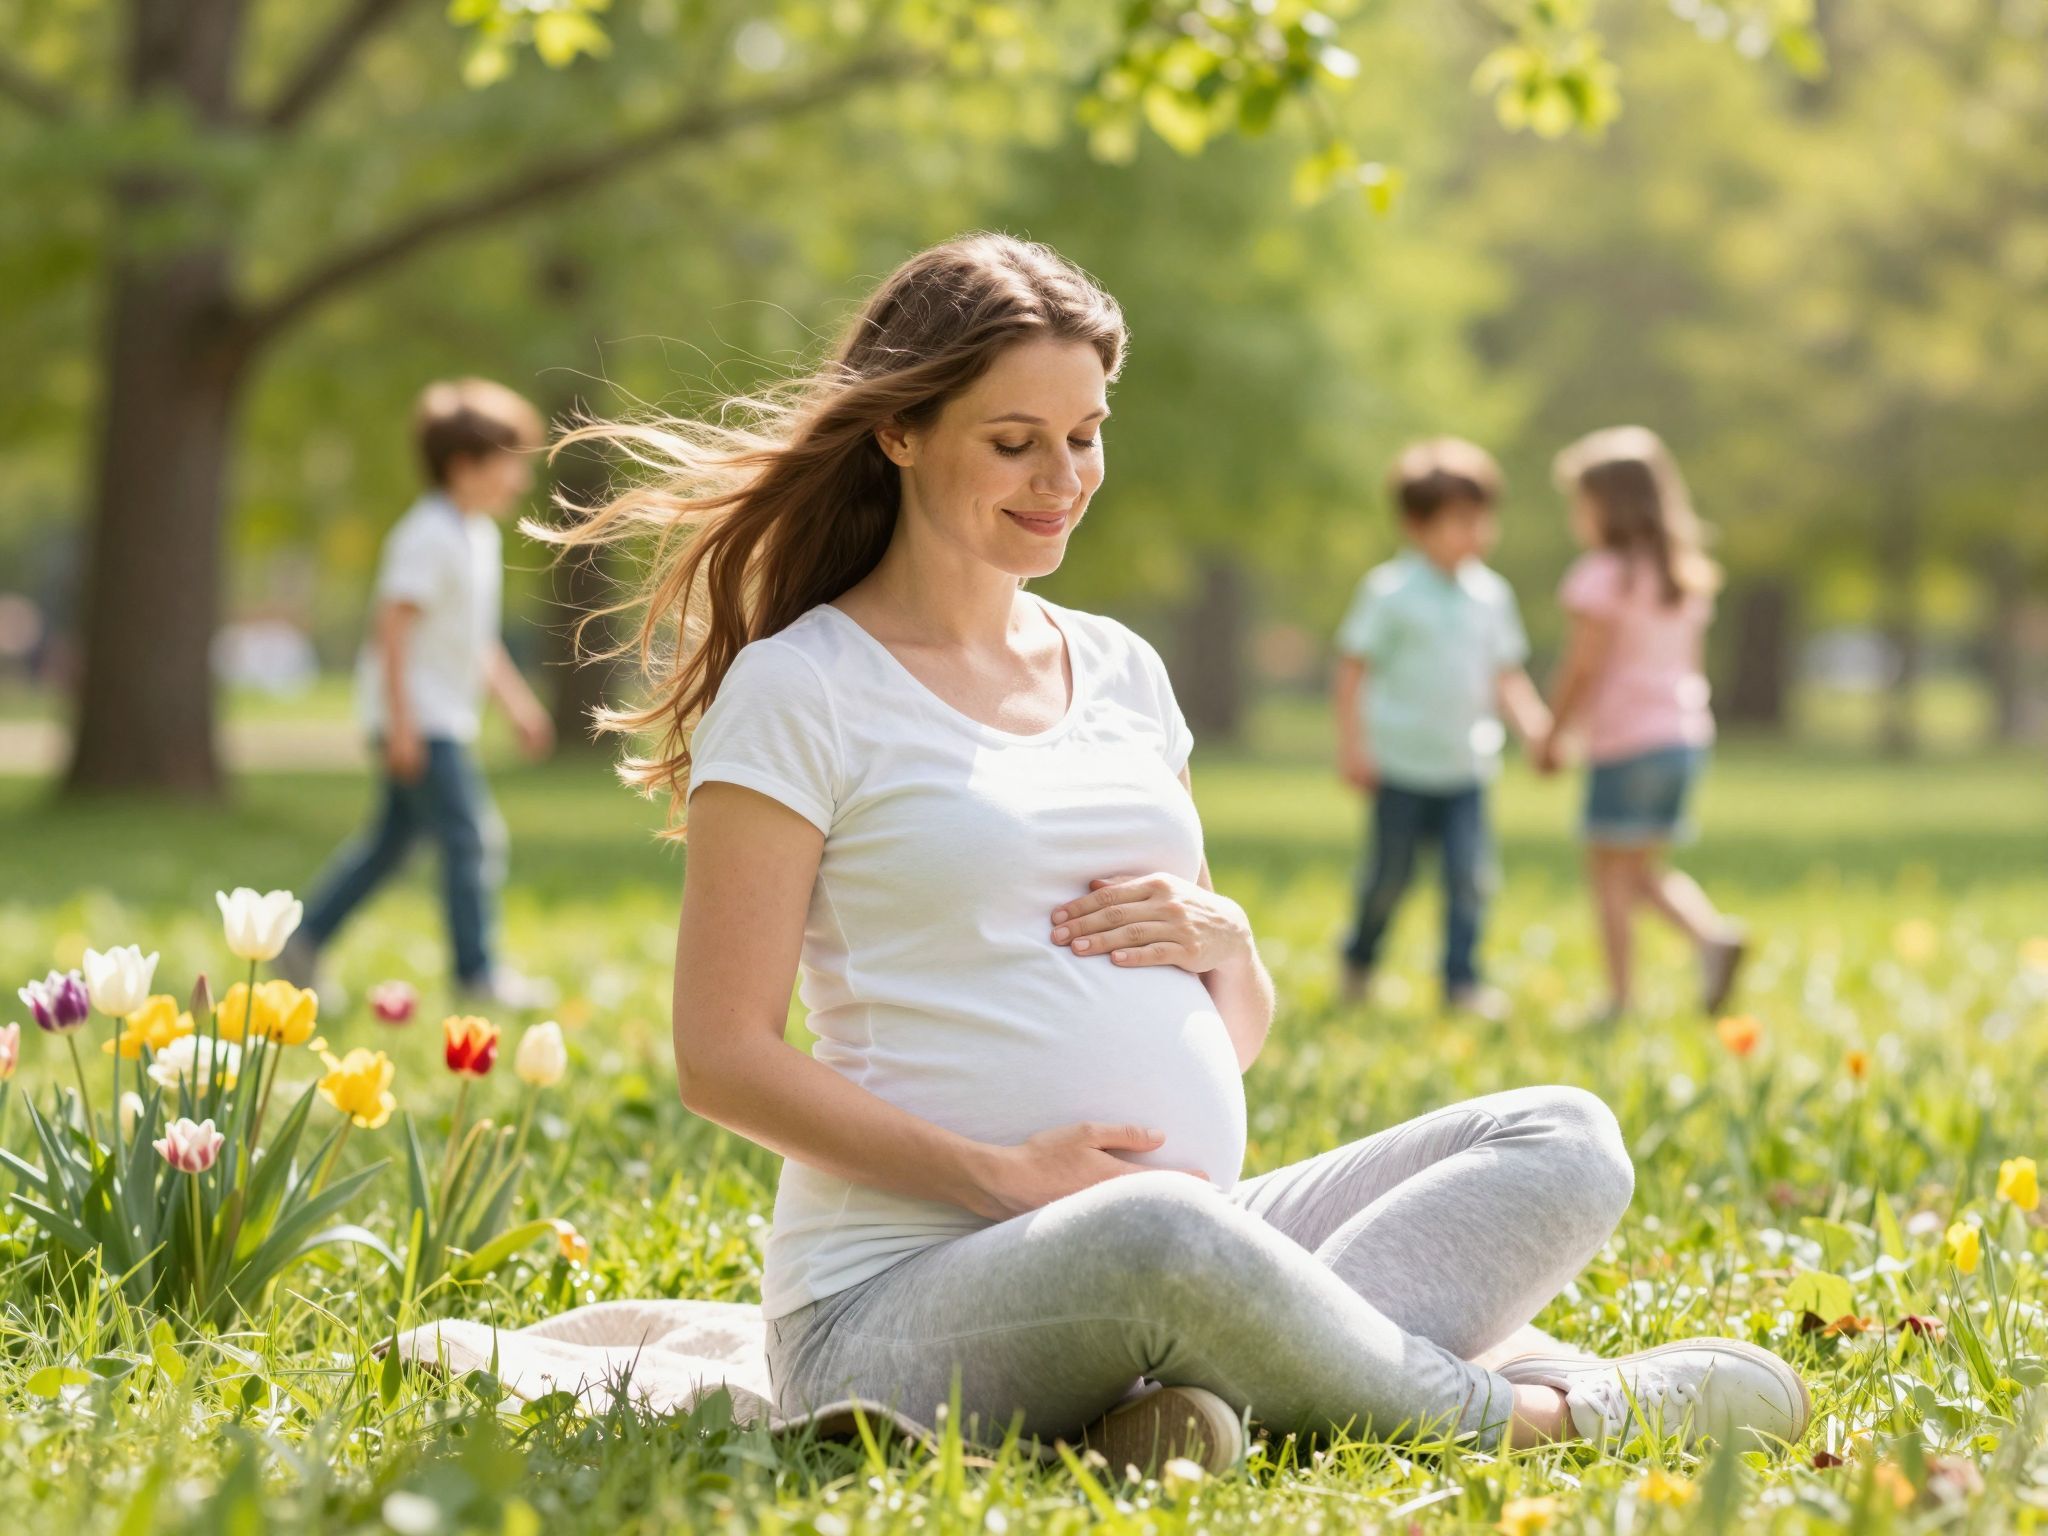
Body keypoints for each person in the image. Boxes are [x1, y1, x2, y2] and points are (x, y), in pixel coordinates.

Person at [539, 235, 1807, 1469]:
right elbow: (721, 1060)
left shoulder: (1125, 673)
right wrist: (998, 1177)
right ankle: (1534, 1417)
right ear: (898, 432)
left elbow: (1219, 1030)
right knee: (1157, 1235)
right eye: (1013, 442)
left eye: (1084, 435)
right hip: (901, 1295)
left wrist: (1232, 948)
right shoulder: (804, 687)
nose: (1063, 477)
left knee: (1565, 1133)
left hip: (1185, 1232)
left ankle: (1187, 1393)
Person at [283, 379, 557, 1006]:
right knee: (470, 838)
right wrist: (402, 725)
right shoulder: (427, 535)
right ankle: (477, 974)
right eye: (508, 465)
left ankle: (301, 945)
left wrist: (516, 703)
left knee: (390, 846)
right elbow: (392, 632)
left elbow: (475, 638)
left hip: (440, 717)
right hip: (419, 719)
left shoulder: (477, 536)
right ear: (463, 466)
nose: (519, 481)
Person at [1331, 440, 1550, 1018]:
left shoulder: (1490, 594)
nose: (1475, 532)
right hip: (1401, 766)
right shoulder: (1390, 592)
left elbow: (1506, 676)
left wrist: (1534, 730)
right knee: (1388, 879)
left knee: (1470, 879)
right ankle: (1360, 960)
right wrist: (1353, 748)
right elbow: (1353, 672)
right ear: (1416, 525)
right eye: (1458, 521)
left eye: (1482, 519)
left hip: (1465, 768)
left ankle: (1462, 981)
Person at [1537, 427, 1746, 1023]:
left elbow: (1583, 666)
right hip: (1681, 737)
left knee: (1607, 873)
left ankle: (1621, 999)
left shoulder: (1601, 577)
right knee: (1642, 870)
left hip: (1625, 742)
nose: (1576, 517)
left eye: (1581, 503)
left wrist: (1555, 733)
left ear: (1610, 505)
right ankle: (1711, 937)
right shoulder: (1683, 575)